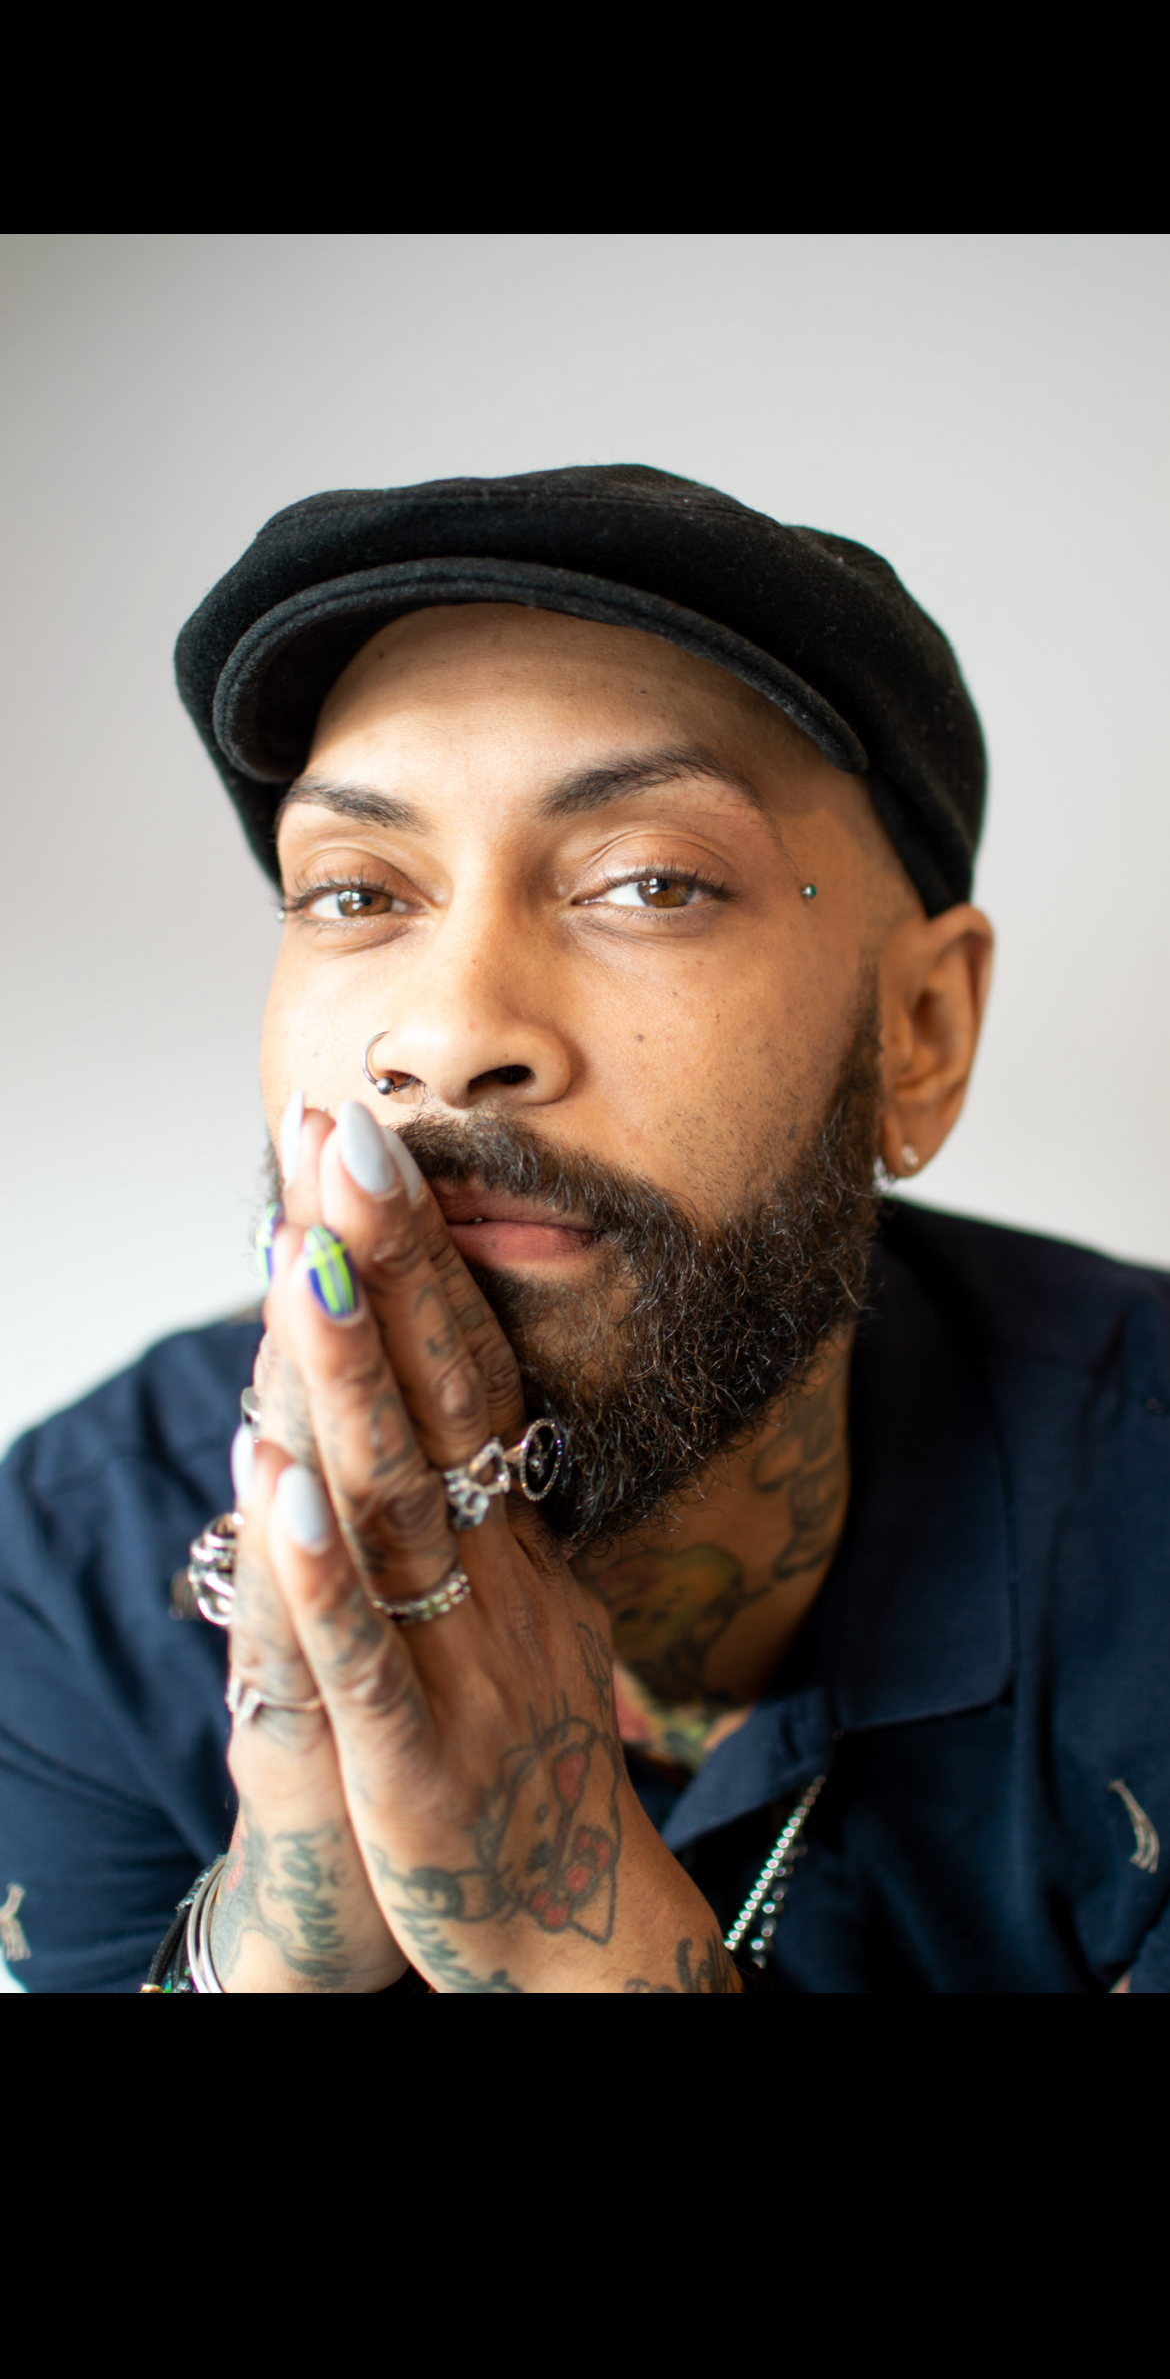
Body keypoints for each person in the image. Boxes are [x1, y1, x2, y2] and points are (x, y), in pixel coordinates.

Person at [2, 463, 1167, 1994]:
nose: (449, 1032)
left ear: (921, 1033)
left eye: (650, 882)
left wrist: (578, 1948)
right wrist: (266, 1954)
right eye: (354, 894)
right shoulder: (71, 1573)